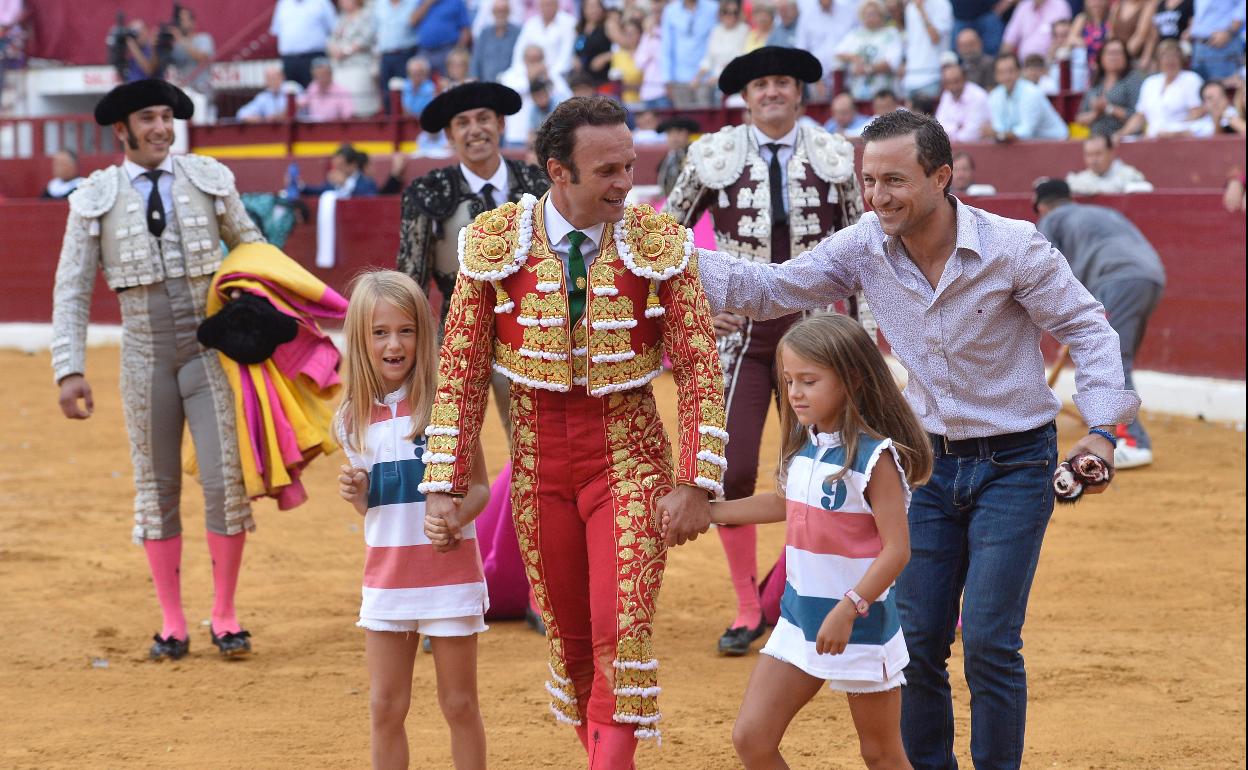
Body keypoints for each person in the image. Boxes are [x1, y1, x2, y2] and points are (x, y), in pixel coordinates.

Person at [697, 109, 1138, 770]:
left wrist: (1101, 431)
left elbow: (1088, 329)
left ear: (941, 176)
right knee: (921, 638)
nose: (878, 197)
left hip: (1016, 464)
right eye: (869, 181)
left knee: (989, 640)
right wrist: (668, 256)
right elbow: (773, 287)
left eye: (894, 181)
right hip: (923, 464)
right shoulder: (863, 245)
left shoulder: (1014, 246)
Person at [420, 95, 728, 766]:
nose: (626, 183)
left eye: (630, 165)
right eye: (608, 170)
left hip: (629, 458)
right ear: (559, 172)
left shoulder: (659, 242)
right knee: (573, 644)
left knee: (622, 633)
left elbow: (700, 368)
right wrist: (444, 482)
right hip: (537, 468)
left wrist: (694, 482)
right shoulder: (494, 242)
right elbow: (461, 369)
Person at [51, 79, 266, 661]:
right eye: (148, 118)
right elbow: (71, 289)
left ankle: (224, 614)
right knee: (156, 488)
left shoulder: (208, 179)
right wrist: (69, 368)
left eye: (167, 116)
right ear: (121, 129)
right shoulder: (93, 197)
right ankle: (172, 623)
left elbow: (254, 254)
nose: (161, 128)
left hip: (207, 355)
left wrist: (260, 322)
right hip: (143, 359)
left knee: (224, 482)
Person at [665, 47, 868, 657]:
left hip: (820, 335)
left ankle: (816, 589)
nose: (773, 91)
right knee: (730, 470)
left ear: (800, 93)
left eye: (783, 82)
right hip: (742, 338)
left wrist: (864, 339)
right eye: (762, 84)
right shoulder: (711, 156)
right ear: (746, 97)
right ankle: (749, 606)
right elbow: (663, 240)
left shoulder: (835, 156)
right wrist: (697, 310)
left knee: (839, 467)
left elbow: (868, 246)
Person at [696, 313, 931, 770]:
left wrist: (849, 609)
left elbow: (897, 549)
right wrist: (709, 513)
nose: (794, 393)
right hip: (798, 618)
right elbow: (784, 502)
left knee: (881, 755)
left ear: (852, 379)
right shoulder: (807, 441)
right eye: (788, 381)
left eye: (809, 381)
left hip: (860, 625)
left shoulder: (876, 457)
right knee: (752, 739)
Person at [334, 270, 489, 770]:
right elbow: (374, 506)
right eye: (380, 333)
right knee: (385, 706)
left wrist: (455, 518)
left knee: (459, 704)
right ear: (360, 340)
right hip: (388, 579)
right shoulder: (350, 420)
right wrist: (358, 494)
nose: (394, 344)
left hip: (450, 576)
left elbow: (480, 488)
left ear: (425, 334)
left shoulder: (449, 407)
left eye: (406, 330)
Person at [397, 81, 549, 335]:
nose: (475, 130)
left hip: (536, 332)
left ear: (500, 124)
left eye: (483, 119)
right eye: (463, 123)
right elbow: (412, 282)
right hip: (459, 337)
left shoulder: (539, 184)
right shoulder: (428, 192)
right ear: (449, 135)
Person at [1035, 179, 1164, 469]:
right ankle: (1126, 433)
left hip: (1116, 280)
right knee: (1119, 358)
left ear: (1042, 207)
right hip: (1151, 278)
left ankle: (1133, 442)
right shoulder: (1101, 213)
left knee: (1113, 361)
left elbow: (1043, 267)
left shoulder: (1052, 220)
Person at [1116, 39, 1204, 138]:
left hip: (1181, 138)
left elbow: (1197, 112)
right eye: (1165, 56)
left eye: (1174, 56)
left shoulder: (1191, 79)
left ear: (1181, 59)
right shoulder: (1150, 82)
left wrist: (1173, 130)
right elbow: (1140, 116)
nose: (1170, 60)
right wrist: (1121, 134)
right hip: (1153, 139)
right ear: (1158, 60)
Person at [988, 52, 1070, 140]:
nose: (1006, 77)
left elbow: (1026, 131)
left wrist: (1000, 135)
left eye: (1011, 71)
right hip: (1031, 144)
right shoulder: (995, 95)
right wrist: (999, 134)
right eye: (1001, 72)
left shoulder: (1031, 93)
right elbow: (999, 127)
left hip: (1057, 142)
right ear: (995, 76)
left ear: (1019, 72)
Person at [1075, 38, 1145, 137]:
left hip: (1124, 139)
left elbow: (1139, 115)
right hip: (1097, 139)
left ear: (1126, 57)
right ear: (1101, 58)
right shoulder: (1096, 83)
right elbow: (1080, 118)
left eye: (1118, 53)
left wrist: (1109, 108)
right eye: (1109, 53)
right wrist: (1096, 113)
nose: (1113, 57)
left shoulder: (1133, 79)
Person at [797, 0, 862, 99]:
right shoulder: (807, 16)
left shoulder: (848, 12)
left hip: (847, 78)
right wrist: (815, 78)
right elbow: (802, 52)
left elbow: (859, 40)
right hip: (818, 80)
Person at [662, 0, 722, 107]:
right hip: (679, 78)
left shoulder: (713, 8)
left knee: (705, 115)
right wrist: (667, 79)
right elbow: (666, 46)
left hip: (706, 78)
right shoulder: (670, 11)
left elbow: (718, 41)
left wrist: (715, 74)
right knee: (684, 117)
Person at [328, 0, 380, 117]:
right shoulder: (341, 18)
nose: (342, 2)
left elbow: (366, 38)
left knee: (359, 104)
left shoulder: (367, 15)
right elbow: (332, 38)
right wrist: (333, 49)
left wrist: (345, 51)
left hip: (359, 65)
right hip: (340, 66)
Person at [270, 0, 338, 88]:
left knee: (315, 91)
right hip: (289, 60)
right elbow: (277, 30)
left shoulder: (321, 2)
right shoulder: (283, 3)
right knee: (291, 92)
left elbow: (334, 28)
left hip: (313, 58)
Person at [511, 0, 578, 80]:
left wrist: (549, 75)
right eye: (544, 5)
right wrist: (524, 72)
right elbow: (519, 50)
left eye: (549, 4)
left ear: (557, 5)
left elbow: (566, 55)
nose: (547, 8)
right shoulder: (531, 23)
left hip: (558, 75)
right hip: (528, 74)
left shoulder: (569, 23)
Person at [902, 0, 954, 102]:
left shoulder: (942, 4)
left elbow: (935, 38)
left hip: (932, 75)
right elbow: (911, 42)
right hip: (911, 76)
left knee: (928, 112)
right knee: (908, 113)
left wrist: (922, 10)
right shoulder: (910, 7)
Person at [1065, 134, 1154, 193]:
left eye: (1098, 154)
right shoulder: (1081, 179)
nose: (1093, 160)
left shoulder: (1130, 176)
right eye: (1089, 155)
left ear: (1111, 153)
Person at [375, 0, 422, 113]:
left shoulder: (413, 2)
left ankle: (408, 117)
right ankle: (389, 118)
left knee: (408, 90)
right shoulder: (379, 4)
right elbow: (376, 29)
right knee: (386, 93)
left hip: (406, 53)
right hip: (385, 55)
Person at [168, 6, 215, 106]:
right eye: (178, 20)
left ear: (192, 22)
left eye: (183, 20)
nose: (180, 23)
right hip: (183, 93)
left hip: (201, 92)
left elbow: (202, 58)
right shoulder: (176, 46)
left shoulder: (204, 38)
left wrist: (180, 39)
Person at [934, 61, 993, 141]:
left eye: (956, 81)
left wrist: (950, 131)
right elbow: (938, 126)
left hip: (979, 145)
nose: (953, 86)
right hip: (952, 144)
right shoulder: (947, 94)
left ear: (964, 78)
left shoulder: (978, 96)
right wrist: (957, 127)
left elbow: (971, 134)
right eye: (949, 82)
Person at [1001, 0, 1072, 62]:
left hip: (1050, 62)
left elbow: (1065, 37)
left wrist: (1050, 60)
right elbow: (1008, 41)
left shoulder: (1059, 5)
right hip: (1024, 66)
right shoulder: (1023, 7)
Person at [415, 0, 472, 76]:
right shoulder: (422, 1)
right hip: (425, 50)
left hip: (447, 49)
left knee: (448, 78)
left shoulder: (456, 2)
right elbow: (412, 21)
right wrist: (427, 3)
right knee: (421, 78)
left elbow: (465, 28)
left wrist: (458, 51)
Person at [470, 0, 521, 84]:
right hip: (486, 84)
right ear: (493, 12)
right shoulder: (484, 34)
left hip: (510, 84)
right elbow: (476, 60)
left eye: (504, 11)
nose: (501, 14)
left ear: (509, 12)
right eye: (498, 11)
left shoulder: (517, 33)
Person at [573, 0, 615, 85]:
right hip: (584, 81)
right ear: (583, 10)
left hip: (603, 79)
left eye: (597, 6)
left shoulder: (608, 26)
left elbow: (623, 47)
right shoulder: (580, 28)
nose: (594, 10)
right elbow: (578, 49)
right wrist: (575, 58)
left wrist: (606, 57)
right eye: (591, 7)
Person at [655, 116, 700, 196]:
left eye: (679, 132)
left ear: (688, 134)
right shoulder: (668, 158)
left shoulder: (695, 155)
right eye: (670, 133)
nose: (674, 137)